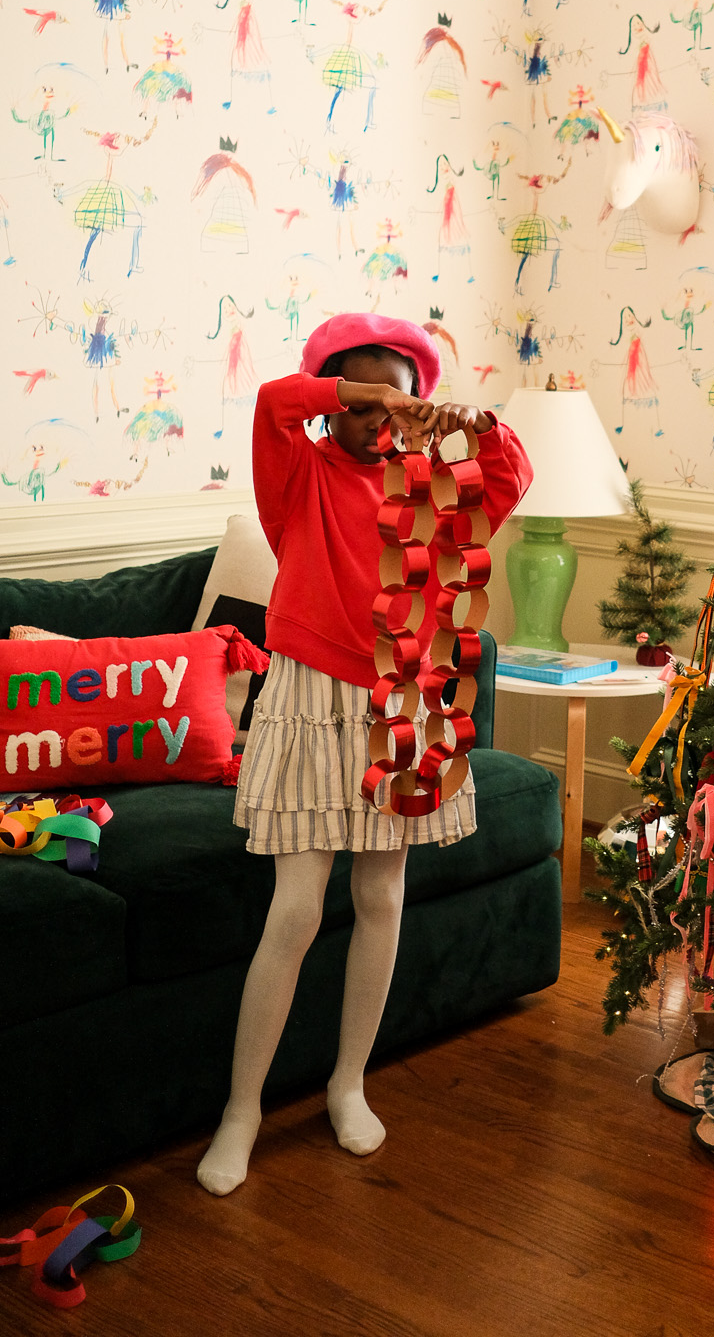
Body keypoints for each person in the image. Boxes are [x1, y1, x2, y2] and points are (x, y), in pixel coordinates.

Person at [198, 312, 531, 1196]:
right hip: (309, 696)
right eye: (360, 397)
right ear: (336, 402)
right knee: (296, 911)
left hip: (402, 701)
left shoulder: (434, 488)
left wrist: (462, 422)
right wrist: (366, 388)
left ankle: (348, 1085)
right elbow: (274, 402)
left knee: (381, 893)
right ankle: (242, 1110)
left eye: (396, 396)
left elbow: (511, 469)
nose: (379, 415)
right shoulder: (298, 472)